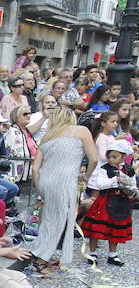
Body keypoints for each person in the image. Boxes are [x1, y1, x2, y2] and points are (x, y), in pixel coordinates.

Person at [30, 107, 99, 271]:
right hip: (66, 180)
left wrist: (40, 188)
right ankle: (41, 260)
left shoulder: (48, 136)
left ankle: (39, 254)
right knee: (58, 221)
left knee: (48, 219)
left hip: (46, 180)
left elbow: (35, 168)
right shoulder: (81, 130)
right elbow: (94, 159)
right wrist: (86, 176)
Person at [82, 139, 135, 266]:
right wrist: (117, 180)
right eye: (109, 156)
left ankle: (113, 254)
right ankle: (93, 252)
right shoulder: (104, 169)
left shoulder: (129, 170)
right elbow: (101, 184)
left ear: (123, 156)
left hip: (121, 201)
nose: (111, 159)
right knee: (96, 228)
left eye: (115, 157)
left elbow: (133, 185)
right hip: (104, 201)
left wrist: (130, 189)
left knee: (115, 227)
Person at [4, 105, 38, 185]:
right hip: (14, 172)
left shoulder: (27, 131)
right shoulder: (12, 132)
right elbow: (7, 151)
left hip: (27, 169)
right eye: (25, 114)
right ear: (17, 117)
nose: (28, 116)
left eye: (30, 113)